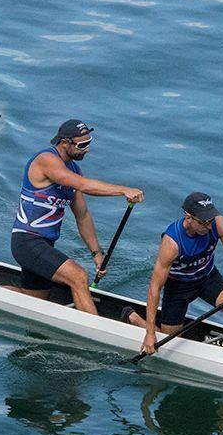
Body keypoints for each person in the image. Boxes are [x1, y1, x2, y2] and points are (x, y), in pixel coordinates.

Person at [9, 119, 144, 314]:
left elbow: (82, 216)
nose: (87, 149)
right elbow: (84, 185)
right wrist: (123, 190)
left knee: (34, 302)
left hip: (45, 245)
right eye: (82, 145)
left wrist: (97, 253)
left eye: (89, 143)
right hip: (27, 241)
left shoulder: (74, 169)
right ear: (65, 142)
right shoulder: (46, 160)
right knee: (79, 276)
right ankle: (97, 334)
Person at [125, 192, 223, 353]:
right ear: (188, 217)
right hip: (178, 288)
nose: (209, 226)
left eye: (210, 220)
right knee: (169, 343)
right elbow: (154, 288)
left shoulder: (218, 223)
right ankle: (135, 318)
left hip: (208, 278)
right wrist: (150, 334)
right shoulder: (172, 242)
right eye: (203, 222)